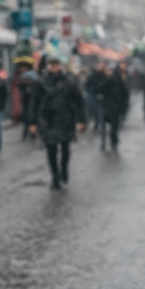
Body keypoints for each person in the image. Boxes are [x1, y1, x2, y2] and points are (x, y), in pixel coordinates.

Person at [29, 56, 86, 190]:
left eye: (56, 65)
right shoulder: (41, 81)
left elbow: (79, 101)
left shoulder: (69, 80)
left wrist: (82, 119)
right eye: (51, 65)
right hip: (47, 120)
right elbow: (34, 102)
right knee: (51, 150)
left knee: (66, 148)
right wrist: (32, 122)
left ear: (60, 65)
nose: (54, 67)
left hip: (65, 119)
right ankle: (55, 176)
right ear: (48, 66)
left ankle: (64, 169)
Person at [100, 65, 126, 151]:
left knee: (105, 126)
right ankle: (113, 141)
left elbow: (99, 89)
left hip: (108, 106)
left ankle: (105, 143)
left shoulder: (108, 80)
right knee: (114, 126)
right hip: (115, 107)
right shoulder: (119, 80)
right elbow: (125, 94)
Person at [17, 63, 39, 141]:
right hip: (27, 104)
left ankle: (28, 134)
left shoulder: (31, 80)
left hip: (29, 104)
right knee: (27, 121)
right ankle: (26, 134)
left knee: (29, 120)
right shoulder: (24, 80)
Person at [84, 60, 108, 131]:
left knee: (101, 111)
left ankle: (101, 123)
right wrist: (94, 90)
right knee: (95, 111)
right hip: (94, 95)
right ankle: (97, 123)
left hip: (103, 96)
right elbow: (87, 85)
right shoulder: (92, 75)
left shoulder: (105, 75)